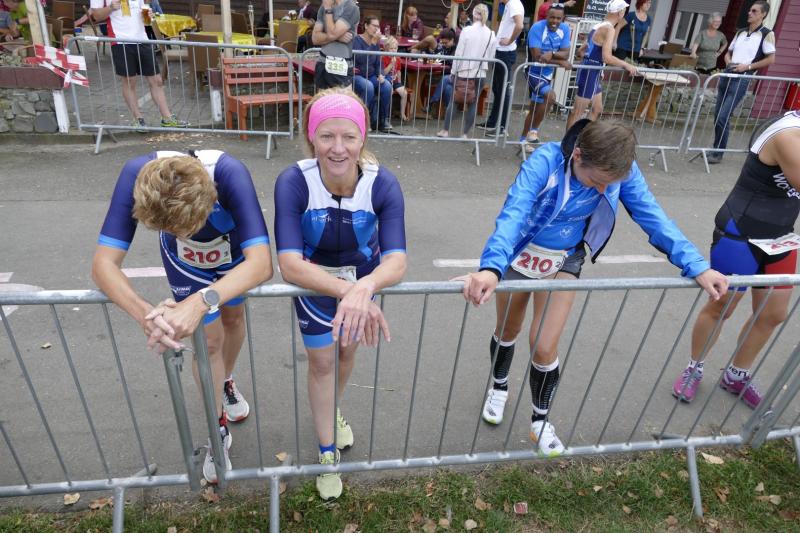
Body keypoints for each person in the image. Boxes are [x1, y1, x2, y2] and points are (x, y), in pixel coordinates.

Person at [456, 119, 728, 457]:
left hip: (565, 259)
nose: (602, 191)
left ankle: (540, 421)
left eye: (609, 185)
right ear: (578, 156)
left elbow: (653, 215)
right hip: (521, 252)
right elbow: (514, 213)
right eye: (596, 182)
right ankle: (499, 387)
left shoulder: (620, 170)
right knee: (508, 328)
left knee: (544, 345)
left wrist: (697, 265)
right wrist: (491, 268)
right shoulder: (545, 161)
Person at [91, 150, 273, 484]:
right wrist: (146, 315)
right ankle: (217, 428)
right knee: (210, 343)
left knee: (233, 320)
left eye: (186, 226)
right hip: (185, 262)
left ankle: (225, 380)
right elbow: (103, 265)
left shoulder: (229, 173)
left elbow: (261, 264)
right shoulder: (136, 174)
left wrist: (201, 301)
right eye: (169, 229)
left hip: (233, 255)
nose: (181, 233)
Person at [274, 87, 407, 500]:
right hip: (314, 282)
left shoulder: (382, 184)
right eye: (327, 136)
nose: (338, 148)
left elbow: (397, 261)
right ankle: (327, 452)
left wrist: (363, 287)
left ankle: (330, 411)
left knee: (347, 354)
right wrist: (347, 289)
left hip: (360, 282)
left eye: (348, 137)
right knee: (321, 364)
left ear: (362, 138)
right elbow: (289, 264)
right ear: (311, 137)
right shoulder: (294, 182)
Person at [672, 111, 800, 409]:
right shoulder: (789, 134)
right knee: (722, 307)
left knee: (773, 313)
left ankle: (736, 375)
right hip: (741, 231)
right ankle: (694, 368)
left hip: (780, 236)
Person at [89, 0, 187, 130]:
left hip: (142, 39)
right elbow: (95, 16)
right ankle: (138, 119)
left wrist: (148, 15)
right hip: (120, 41)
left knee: (157, 80)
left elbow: (144, 12)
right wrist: (111, 7)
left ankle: (167, 118)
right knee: (130, 81)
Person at [707, 0, 775, 165]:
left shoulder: (767, 34)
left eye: (754, 11)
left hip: (743, 77)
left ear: (763, 14)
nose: (749, 13)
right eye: (750, 10)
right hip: (728, 74)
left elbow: (771, 59)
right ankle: (716, 149)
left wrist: (748, 67)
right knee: (718, 116)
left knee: (723, 116)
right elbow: (727, 53)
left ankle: (718, 153)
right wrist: (729, 62)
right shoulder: (741, 32)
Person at [566, 0, 639, 131]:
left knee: (597, 109)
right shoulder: (609, 29)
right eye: (624, 11)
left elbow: (581, 51)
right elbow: (607, 57)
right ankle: (567, 142)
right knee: (577, 112)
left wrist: (589, 57)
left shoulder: (598, 25)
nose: (624, 13)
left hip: (592, 70)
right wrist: (626, 65)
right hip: (590, 71)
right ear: (619, 12)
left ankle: (584, 136)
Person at [436, 4, 496, 138]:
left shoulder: (467, 31)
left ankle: (445, 131)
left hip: (464, 71)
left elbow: (459, 53)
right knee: (473, 103)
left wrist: (453, 72)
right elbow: (491, 57)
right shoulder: (492, 34)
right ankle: (465, 134)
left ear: (473, 15)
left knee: (454, 101)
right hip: (480, 73)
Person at [518, 3, 571, 154]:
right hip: (533, 71)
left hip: (547, 74)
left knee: (534, 108)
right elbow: (537, 57)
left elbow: (566, 53)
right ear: (546, 16)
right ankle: (533, 131)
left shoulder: (564, 29)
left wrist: (552, 54)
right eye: (552, 17)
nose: (555, 21)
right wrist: (560, 61)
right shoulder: (537, 28)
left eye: (558, 18)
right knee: (550, 96)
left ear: (563, 18)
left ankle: (522, 140)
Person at [477, 0, 524, 136]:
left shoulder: (514, 4)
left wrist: (509, 40)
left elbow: (520, 25)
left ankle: (502, 128)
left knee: (503, 90)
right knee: (498, 90)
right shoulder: (510, 5)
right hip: (502, 52)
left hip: (505, 53)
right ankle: (493, 122)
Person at [352, 15, 393, 132]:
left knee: (387, 86)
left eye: (378, 26)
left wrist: (380, 74)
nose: (376, 29)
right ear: (366, 26)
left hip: (371, 76)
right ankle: (363, 120)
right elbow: (360, 59)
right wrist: (373, 43)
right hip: (357, 75)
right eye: (374, 26)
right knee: (368, 87)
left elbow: (378, 62)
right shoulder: (357, 40)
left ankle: (383, 120)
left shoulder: (376, 44)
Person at [311, 0, 360, 90]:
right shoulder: (324, 6)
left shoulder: (351, 7)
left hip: (341, 65)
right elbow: (315, 38)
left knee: (341, 99)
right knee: (323, 99)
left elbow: (332, 34)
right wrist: (338, 37)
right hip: (323, 63)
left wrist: (328, 9)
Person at [411, 28, 457, 115]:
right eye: (442, 43)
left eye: (446, 43)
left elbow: (450, 63)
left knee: (445, 79)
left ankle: (431, 103)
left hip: (457, 77)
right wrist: (425, 53)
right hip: (447, 78)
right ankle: (449, 113)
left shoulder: (456, 49)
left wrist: (441, 61)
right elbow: (439, 56)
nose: (444, 45)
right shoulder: (445, 47)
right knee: (447, 88)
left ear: (452, 40)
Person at [382, 36, 409, 122]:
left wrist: (400, 83)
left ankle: (402, 113)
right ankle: (387, 114)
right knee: (388, 92)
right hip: (386, 80)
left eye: (395, 48)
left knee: (404, 93)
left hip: (395, 81)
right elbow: (384, 73)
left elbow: (398, 71)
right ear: (387, 49)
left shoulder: (398, 59)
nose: (393, 50)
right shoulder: (383, 58)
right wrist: (391, 64)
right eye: (391, 48)